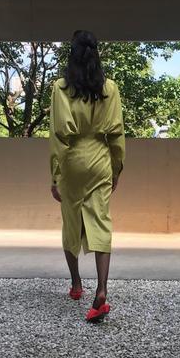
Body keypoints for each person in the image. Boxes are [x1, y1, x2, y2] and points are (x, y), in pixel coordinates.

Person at [49, 30, 125, 322]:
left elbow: (58, 135)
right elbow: (116, 134)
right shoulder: (109, 88)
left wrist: (55, 175)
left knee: (71, 220)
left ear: (72, 54)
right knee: (100, 222)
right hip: (100, 158)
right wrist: (116, 168)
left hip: (72, 159)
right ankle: (102, 289)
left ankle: (77, 284)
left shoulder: (61, 88)